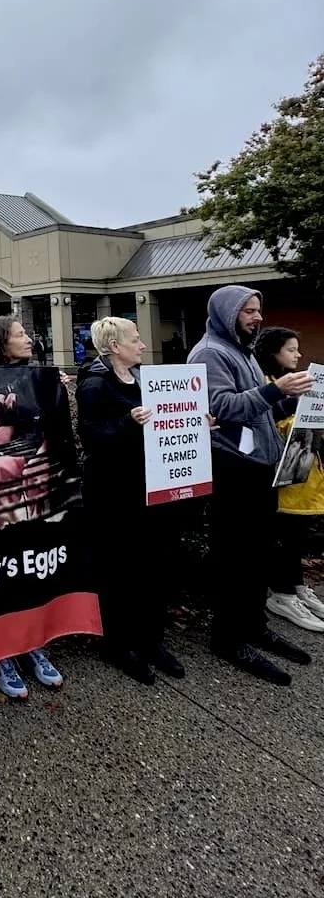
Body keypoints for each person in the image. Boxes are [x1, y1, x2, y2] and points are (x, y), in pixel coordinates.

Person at [188, 286, 314, 685]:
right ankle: (228, 639)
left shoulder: (241, 351)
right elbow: (222, 407)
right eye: (248, 311)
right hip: (234, 472)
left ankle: (254, 625)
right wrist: (275, 389)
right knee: (235, 558)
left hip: (260, 469)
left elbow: (258, 409)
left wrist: (292, 400)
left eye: (259, 310)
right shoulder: (211, 353)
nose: (257, 318)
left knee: (258, 555)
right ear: (226, 314)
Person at [77, 317, 190, 685]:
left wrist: (192, 421)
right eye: (135, 339)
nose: (142, 345)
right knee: (119, 569)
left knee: (151, 563)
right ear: (114, 347)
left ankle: (151, 638)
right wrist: (127, 422)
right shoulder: (95, 385)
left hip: (149, 486)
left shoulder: (144, 379)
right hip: (113, 492)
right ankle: (119, 644)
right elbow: (92, 439)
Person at [0, 315, 64, 700]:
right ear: (0, 342)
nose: (29, 339)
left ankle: (30, 643)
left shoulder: (42, 377)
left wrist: (57, 393)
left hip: (35, 484)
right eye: (20, 334)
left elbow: (54, 429)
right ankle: (0, 652)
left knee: (28, 565)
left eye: (27, 333)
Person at [254, 327, 324, 633]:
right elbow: (270, 423)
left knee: (296, 536)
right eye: (291, 350)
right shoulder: (266, 385)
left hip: (307, 474)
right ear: (273, 352)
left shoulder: (298, 385)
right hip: (284, 480)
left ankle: (296, 585)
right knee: (284, 536)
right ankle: (281, 593)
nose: (298, 355)